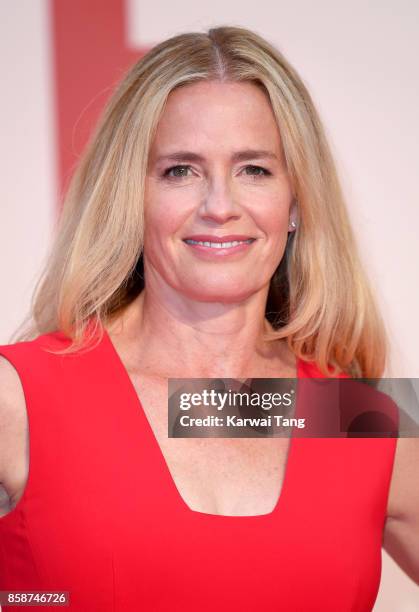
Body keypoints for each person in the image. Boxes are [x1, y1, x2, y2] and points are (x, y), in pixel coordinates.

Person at [0, 25, 417, 611]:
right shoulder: (20, 397)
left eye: (254, 170)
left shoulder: (356, 419)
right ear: (131, 196)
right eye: (180, 171)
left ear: (295, 203)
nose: (220, 206)